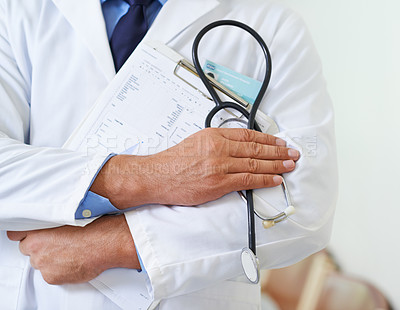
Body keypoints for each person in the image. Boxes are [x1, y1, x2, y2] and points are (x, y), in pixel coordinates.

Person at [0, 0, 337, 309]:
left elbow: (304, 203)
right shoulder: (19, 10)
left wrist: (116, 244)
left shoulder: (272, 27)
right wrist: (155, 175)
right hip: (39, 294)